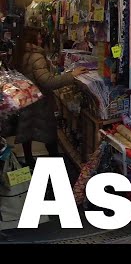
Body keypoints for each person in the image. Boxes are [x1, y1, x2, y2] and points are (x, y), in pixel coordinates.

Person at [14, 27, 87, 168]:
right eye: (39, 37)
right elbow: (47, 82)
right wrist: (71, 75)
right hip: (39, 102)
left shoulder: (21, 54)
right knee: (49, 134)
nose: (41, 40)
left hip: (26, 98)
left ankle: (29, 162)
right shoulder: (36, 57)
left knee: (27, 130)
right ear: (32, 39)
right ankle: (55, 165)